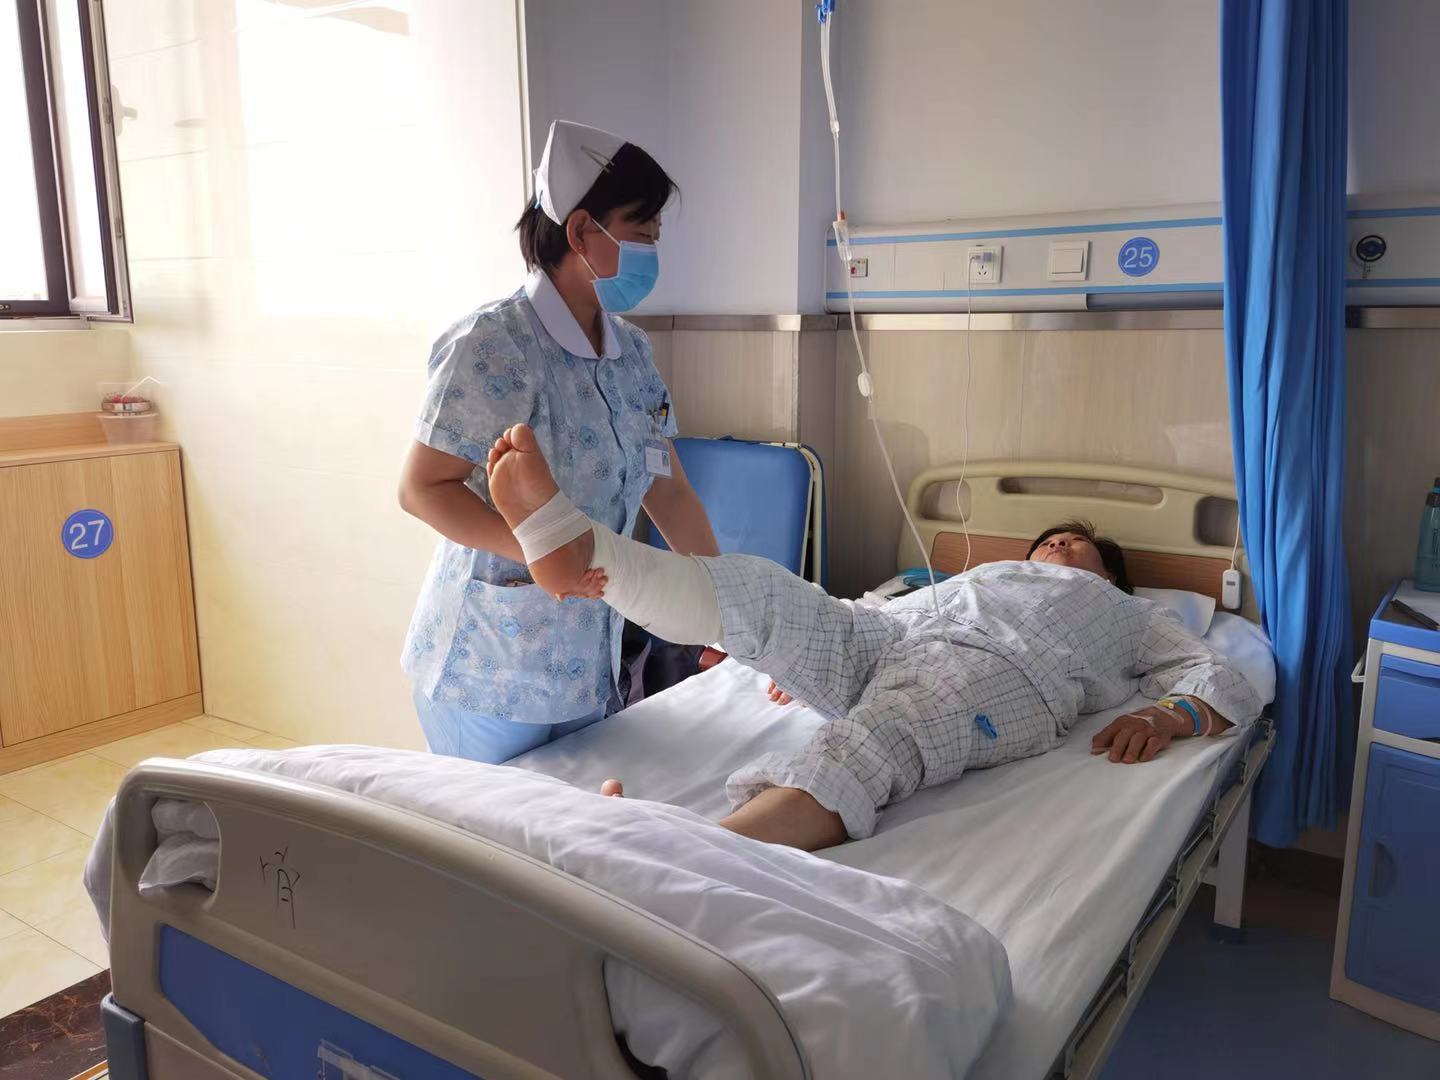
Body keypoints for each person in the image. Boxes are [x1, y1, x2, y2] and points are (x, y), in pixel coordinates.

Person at [482, 423, 1264, 851]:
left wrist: (1171, 714)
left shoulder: (1128, 615)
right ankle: (585, 555)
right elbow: (889, 611)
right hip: (891, 634)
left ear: (1110, 576)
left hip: (1003, 673)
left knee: (882, 732)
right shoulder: (977, 576)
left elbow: (1220, 673)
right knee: (768, 596)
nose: (1058, 545)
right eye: (1048, 541)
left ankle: (678, 857)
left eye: (1076, 546)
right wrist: (801, 653)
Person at [397, 121, 719, 764]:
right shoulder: (494, 345)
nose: (652, 251)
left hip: (587, 665)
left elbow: (668, 490)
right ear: (580, 232)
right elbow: (421, 489)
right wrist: (541, 550)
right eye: (642, 233)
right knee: (489, 830)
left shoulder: (632, 354)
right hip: (487, 669)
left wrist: (721, 608)